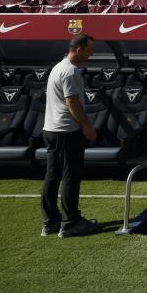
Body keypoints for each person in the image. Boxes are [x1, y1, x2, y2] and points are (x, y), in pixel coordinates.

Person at [40, 34, 99, 238]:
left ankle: (50, 222)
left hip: (51, 130)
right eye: (89, 50)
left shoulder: (58, 67)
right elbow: (72, 102)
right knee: (70, 177)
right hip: (66, 131)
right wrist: (87, 127)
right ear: (79, 48)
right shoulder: (70, 71)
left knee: (52, 176)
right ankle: (70, 222)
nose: (91, 55)